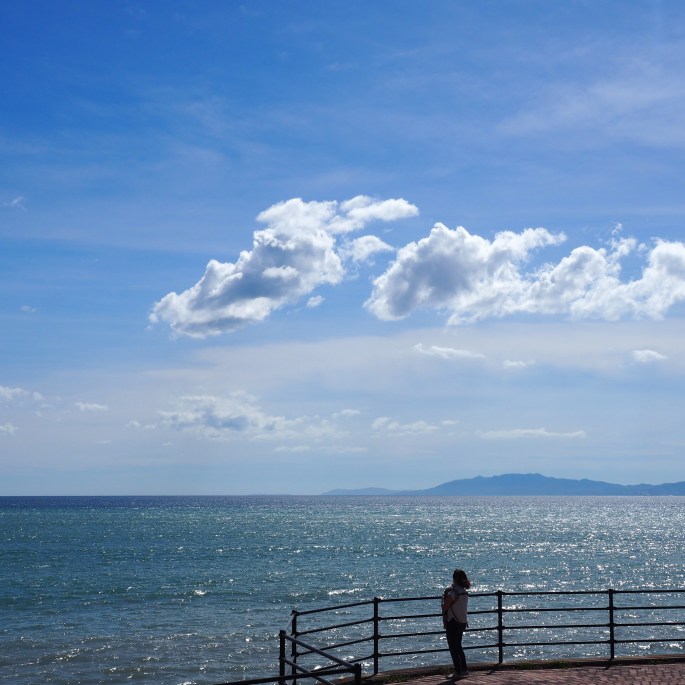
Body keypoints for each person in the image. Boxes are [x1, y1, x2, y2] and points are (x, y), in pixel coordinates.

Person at [443, 568, 471, 680]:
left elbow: (444, 607)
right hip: (462, 622)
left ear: (454, 579)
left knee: (453, 647)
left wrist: (443, 598)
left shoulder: (453, 593)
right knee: (458, 646)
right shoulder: (464, 592)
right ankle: (464, 670)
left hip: (453, 622)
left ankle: (458, 671)